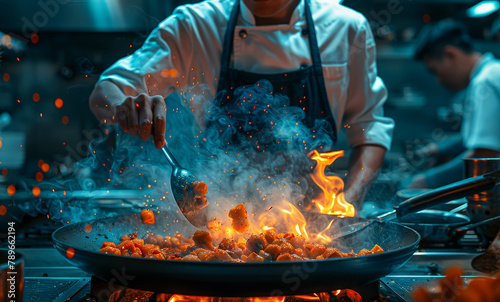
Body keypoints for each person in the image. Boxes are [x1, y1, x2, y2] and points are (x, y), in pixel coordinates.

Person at [89, 0, 394, 209]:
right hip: (217, 220)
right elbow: (108, 88)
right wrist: (124, 107)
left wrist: (347, 208)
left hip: (314, 226)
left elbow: (369, 128)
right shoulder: (194, 26)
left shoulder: (346, 28)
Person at [404, 20, 500, 189]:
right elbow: (479, 138)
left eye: (434, 70)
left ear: (450, 54)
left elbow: (486, 154)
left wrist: (427, 181)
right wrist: (440, 148)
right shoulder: (491, 72)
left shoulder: (485, 81)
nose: (438, 80)